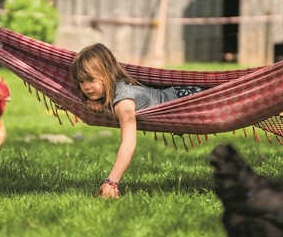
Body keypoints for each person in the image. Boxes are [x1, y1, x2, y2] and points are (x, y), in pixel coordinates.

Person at [69, 43, 205, 199]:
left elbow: (129, 142)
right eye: (81, 81)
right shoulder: (110, 90)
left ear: (107, 73)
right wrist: (91, 101)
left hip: (192, 100)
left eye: (91, 79)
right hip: (183, 95)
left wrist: (111, 181)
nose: (86, 87)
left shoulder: (123, 100)